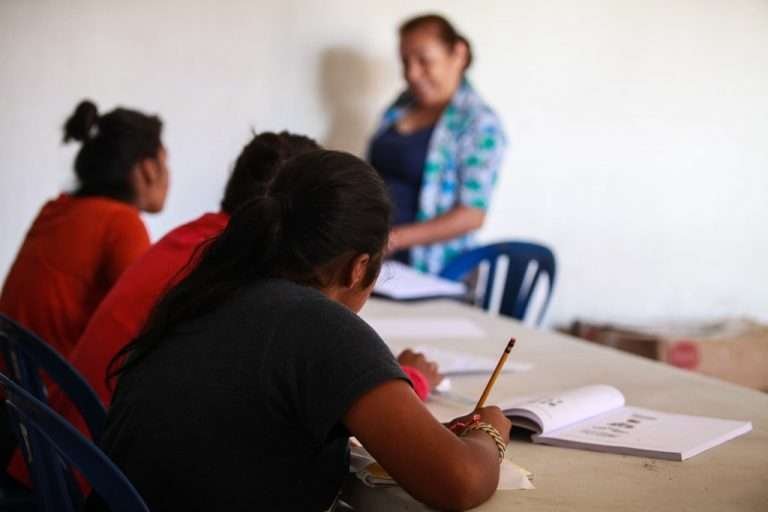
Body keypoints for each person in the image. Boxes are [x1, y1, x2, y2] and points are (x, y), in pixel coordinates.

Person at [4, 132, 441, 488]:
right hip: (85, 474)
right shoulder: (266, 300)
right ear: (355, 265)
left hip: (66, 462)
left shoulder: (205, 266)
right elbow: (448, 477)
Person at [86, 150, 511, 512]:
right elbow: (459, 481)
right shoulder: (321, 326)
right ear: (358, 267)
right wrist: (490, 429)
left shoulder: (207, 292)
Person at [0, 100, 169, 358]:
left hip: (15, 387)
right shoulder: (121, 223)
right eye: (165, 161)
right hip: (53, 394)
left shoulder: (55, 209)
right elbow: (152, 320)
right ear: (148, 169)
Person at [368, 14, 507, 274]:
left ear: (458, 54)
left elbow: (471, 215)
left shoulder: (479, 123)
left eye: (424, 60)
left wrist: (395, 239)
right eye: (405, 62)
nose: (412, 73)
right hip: (373, 254)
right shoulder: (399, 107)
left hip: (431, 267)